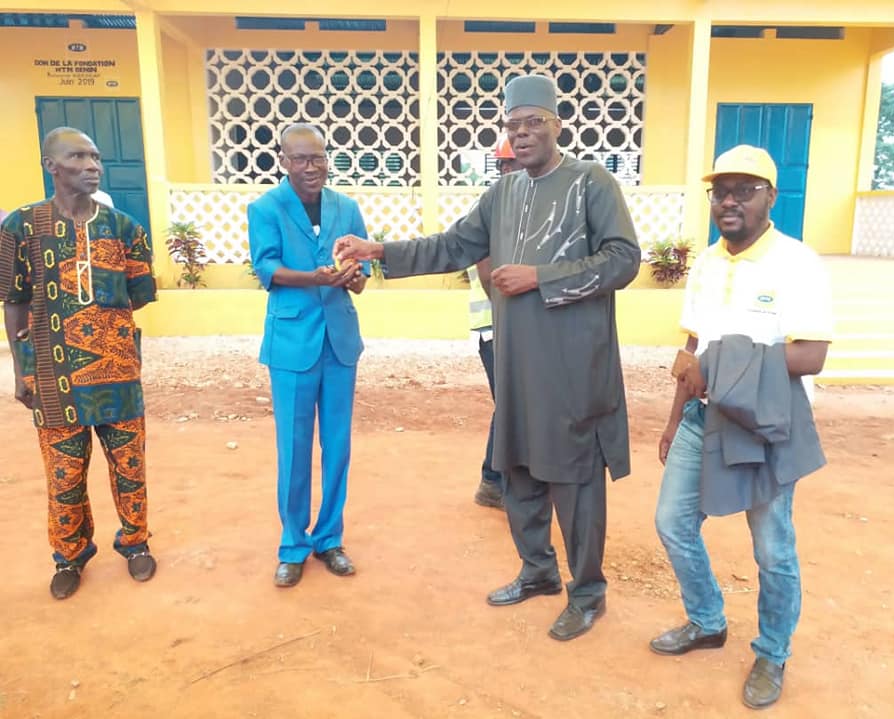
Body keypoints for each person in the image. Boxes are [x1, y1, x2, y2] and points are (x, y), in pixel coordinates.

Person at [335, 75, 641, 641]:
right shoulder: (503, 194)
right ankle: (538, 572)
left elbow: (624, 260)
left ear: (556, 125)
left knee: (573, 477)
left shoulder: (590, 182)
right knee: (517, 464)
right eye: (513, 126)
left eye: (533, 124)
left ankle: (589, 592)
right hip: (516, 360)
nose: (522, 135)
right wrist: (380, 250)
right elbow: (453, 245)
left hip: (574, 365)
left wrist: (540, 277)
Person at [650, 145, 833, 709]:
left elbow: (811, 356)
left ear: (770, 197)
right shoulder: (706, 262)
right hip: (703, 419)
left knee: (773, 548)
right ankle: (707, 621)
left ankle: (772, 652)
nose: (729, 201)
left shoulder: (797, 262)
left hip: (765, 424)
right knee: (672, 522)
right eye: (720, 191)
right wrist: (674, 415)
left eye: (744, 190)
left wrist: (718, 364)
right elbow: (692, 348)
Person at [0, 126, 158, 600]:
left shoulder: (125, 229)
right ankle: (70, 555)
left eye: (95, 157)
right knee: (63, 474)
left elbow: (140, 293)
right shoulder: (20, 227)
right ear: (52, 166)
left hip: (120, 374)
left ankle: (135, 543)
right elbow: (13, 299)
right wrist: (20, 368)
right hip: (52, 377)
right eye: (78, 156)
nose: (93, 165)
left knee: (130, 465)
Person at [247, 123, 368, 588]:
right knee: (294, 449)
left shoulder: (347, 206)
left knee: (337, 445)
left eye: (317, 157)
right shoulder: (266, 208)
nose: (311, 166)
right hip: (292, 343)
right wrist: (316, 278)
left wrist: (353, 277)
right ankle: (293, 543)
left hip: (339, 340)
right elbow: (267, 268)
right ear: (283, 161)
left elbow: (362, 268)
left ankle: (330, 537)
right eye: (300, 158)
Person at [470, 133, 521, 510]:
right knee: (511, 406)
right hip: (498, 328)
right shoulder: (496, 210)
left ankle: (493, 480)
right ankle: (496, 482)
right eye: (509, 163)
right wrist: (510, 321)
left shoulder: (520, 207)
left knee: (512, 405)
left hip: (507, 328)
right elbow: (487, 271)